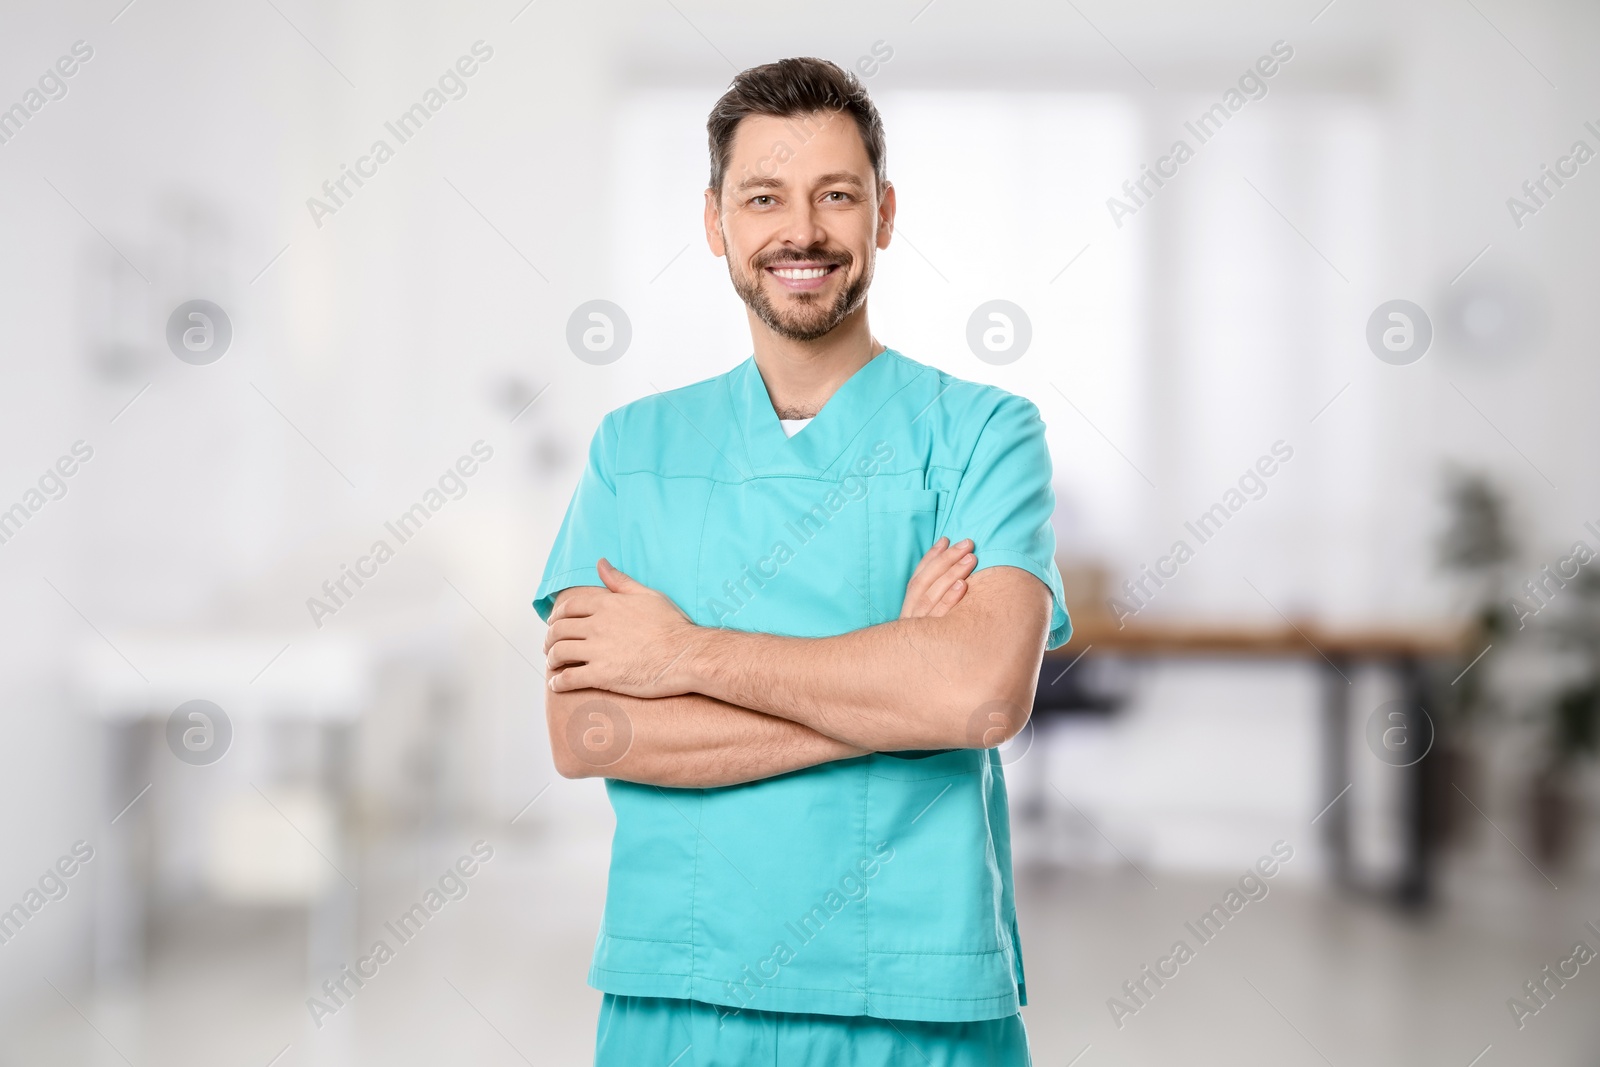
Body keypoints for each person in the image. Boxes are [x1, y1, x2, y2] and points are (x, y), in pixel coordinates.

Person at [536, 55, 1071, 1066]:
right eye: (764, 197)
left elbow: (981, 700)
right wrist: (893, 696)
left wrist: (683, 655)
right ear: (715, 222)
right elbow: (588, 726)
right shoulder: (632, 448)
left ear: (884, 214)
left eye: (837, 195)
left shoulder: (986, 434)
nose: (803, 231)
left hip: (917, 998)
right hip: (678, 995)